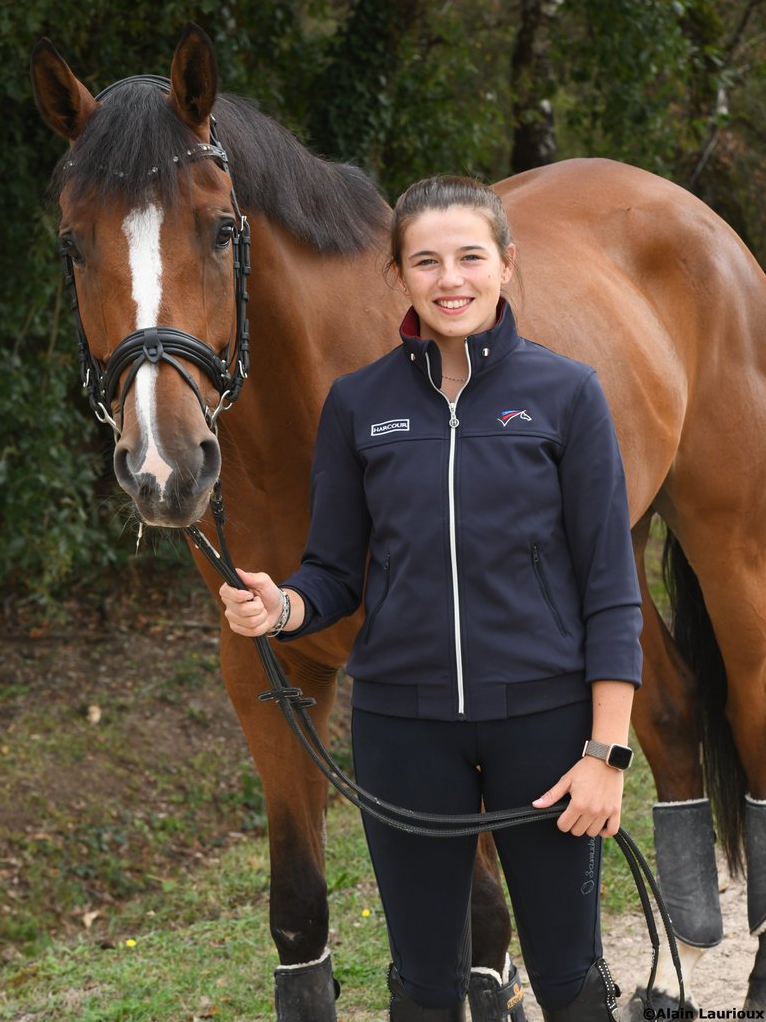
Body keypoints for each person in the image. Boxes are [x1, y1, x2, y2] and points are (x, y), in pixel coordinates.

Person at [220, 175, 643, 1021]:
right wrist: (284, 609)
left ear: (506, 265)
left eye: (469, 257)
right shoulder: (359, 404)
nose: (450, 279)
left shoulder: (568, 395)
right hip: (403, 733)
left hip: (547, 730)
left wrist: (608, 754)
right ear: (401, 276)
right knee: (421, 987)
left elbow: (611, 590)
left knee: (569, 981)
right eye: (426, 261)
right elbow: (335, 572)